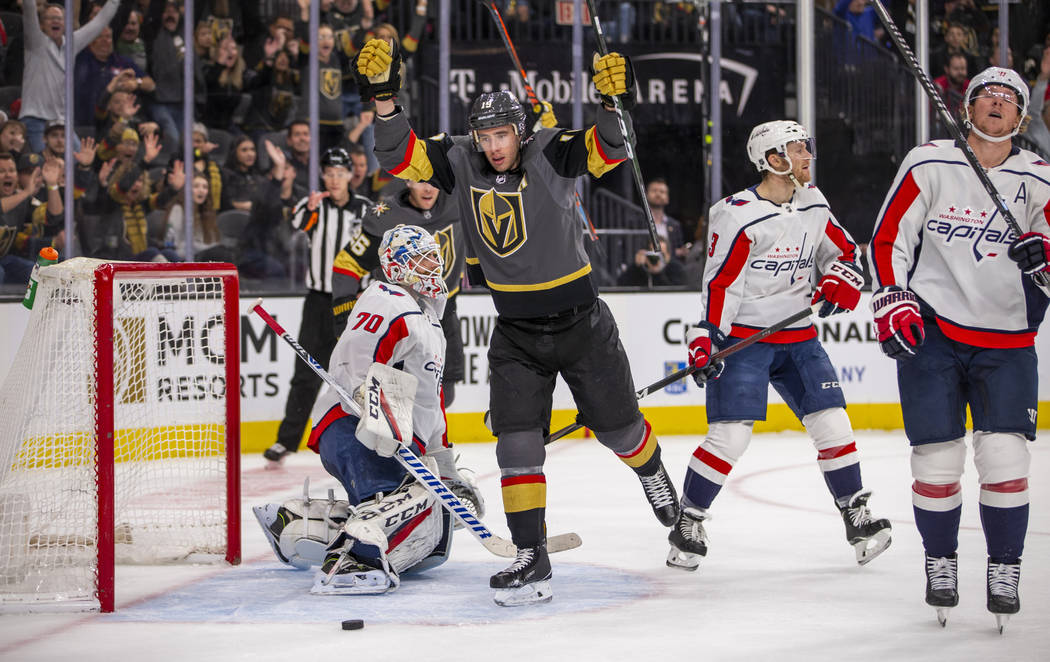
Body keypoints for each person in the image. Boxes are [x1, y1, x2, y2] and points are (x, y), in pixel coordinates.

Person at [361, 38, 681, 606]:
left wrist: (612, 104)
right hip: (516, 332)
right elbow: (400, 157)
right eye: (484, 137)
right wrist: (386, 101)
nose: (492, 146)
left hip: (583, 324)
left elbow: (608, 152)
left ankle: (652, 472)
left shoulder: (551, 151)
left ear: (520, 132)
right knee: (515, 445)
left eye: (501, 135)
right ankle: (532, 556)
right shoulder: (458, 159)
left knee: (620, 431)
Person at [868, 67, 1048, 630]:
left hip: (1008, 339)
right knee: (937, 461)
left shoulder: (1040, 178)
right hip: (935, 330)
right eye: (986, 96)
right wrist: (892, 297)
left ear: (1021, 117)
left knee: (1004, 460)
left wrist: (1044, 253)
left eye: (1009, 99)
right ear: (966, 108)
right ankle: (940, 562)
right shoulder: (929, 161)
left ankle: (1004, 567)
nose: (997, 103)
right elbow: (888, 237)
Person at [670, 119, 892, 572]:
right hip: (745, 341)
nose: (809, 155)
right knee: (730, 436)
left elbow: (846, 252)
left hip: (799, 338)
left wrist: (842, 278)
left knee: (833, 425)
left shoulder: (812, 202)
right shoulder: (736, 214)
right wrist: (706, 337)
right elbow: (720, 284)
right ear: (774, 160)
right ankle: (687, 522)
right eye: (799, 148)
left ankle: (855, 514)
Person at [254, 225, 461, 595]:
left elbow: (431, 401)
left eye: (435, 256)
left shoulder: (429, 320)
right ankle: (353, 560)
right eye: (424, 257)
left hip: (394, 442)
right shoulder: (387, 299)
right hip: (354, 429)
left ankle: (298, 524)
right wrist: (373, 406)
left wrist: (443, 462)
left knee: (434, 521)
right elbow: (352, 359)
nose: (435, 264)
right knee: (403, 501)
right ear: (399, 266)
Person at [263, 147, 371, 465]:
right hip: (318, 301)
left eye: (340, 173)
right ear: (323, 176)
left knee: (358, 373)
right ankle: (286, 441)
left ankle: (368, 437)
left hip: (354, 302)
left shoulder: (366, 210)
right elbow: (297, 224)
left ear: (351, 175)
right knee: (305, 371)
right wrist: (309, 208)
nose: (335, 180)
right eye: (329, 173)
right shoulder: (314, 205)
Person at [20, 0, 120, 153]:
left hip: (62, 122)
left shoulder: (72, 44)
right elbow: (28, 7)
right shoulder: (35, 42)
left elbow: (101, 21)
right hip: (35, 119)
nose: (56, 21)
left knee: (80, 162)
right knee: (43, 165)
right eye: (51, 18)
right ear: (41, 25)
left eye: (59, 18)